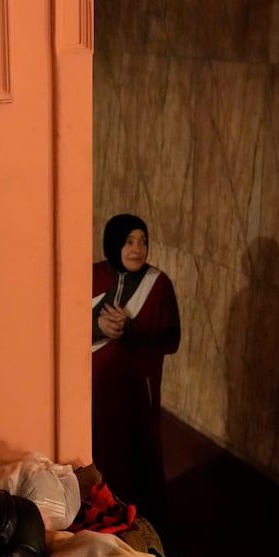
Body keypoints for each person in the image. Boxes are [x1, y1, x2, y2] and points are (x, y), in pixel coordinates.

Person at [91, 213, 182, 518]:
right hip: (94, 387)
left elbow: (171, 340)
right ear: (114, 243)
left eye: (143, 242)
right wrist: (97, 326)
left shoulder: (158, 283)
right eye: (129, 241)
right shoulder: (92, 276)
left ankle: (139, 521)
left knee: (135, 453)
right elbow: (63, 322)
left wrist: (131, 331)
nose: (137, 249)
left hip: (136, 388)